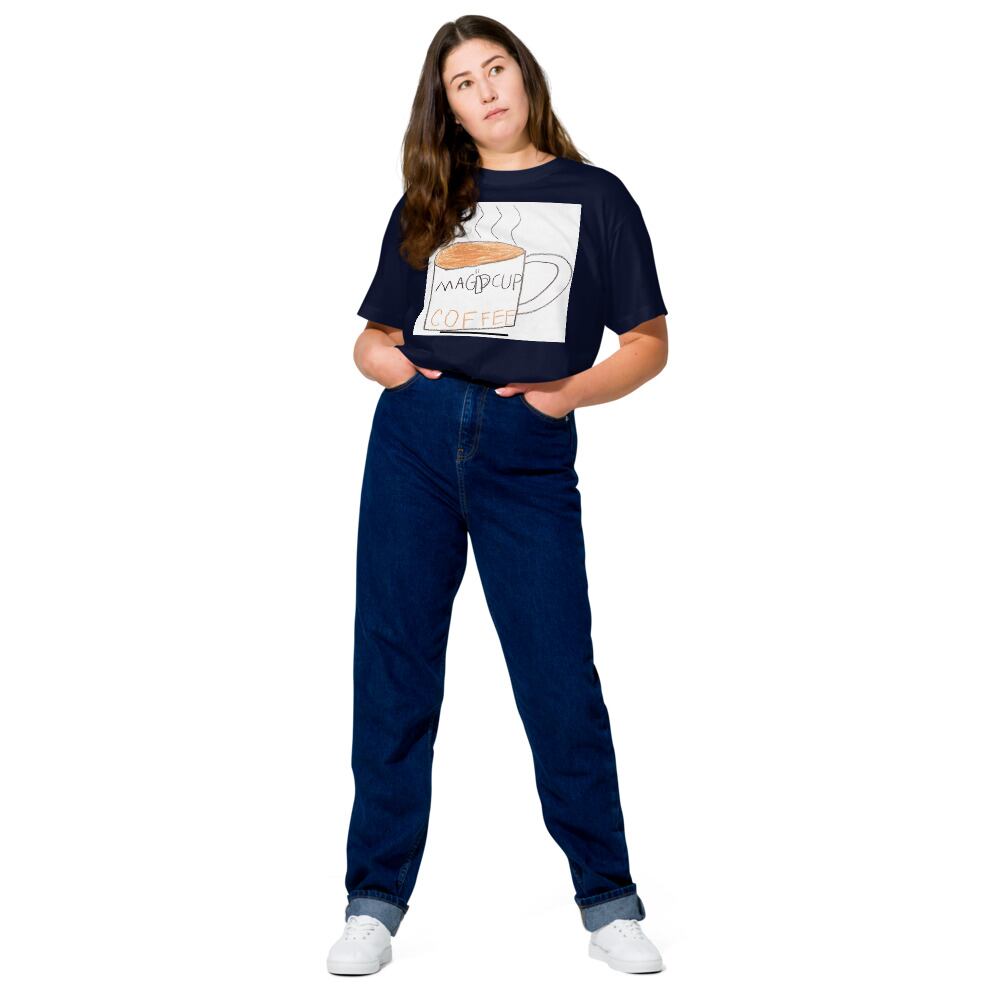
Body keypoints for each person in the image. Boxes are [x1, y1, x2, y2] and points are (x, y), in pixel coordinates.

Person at [327, 15, 669, 976]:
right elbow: (372, 336)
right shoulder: (432, 199)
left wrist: (568, 394)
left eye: (496, 68)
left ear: (525, 76)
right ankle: (373, 901)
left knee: (558, 674)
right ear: (446, 107)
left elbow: (649, 343)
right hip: (414, 442)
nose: (485, 91)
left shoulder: (596, 196)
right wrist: (388, 368)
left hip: (528, 450)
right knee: (394, 668)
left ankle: (608, 902)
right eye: (462, 82)